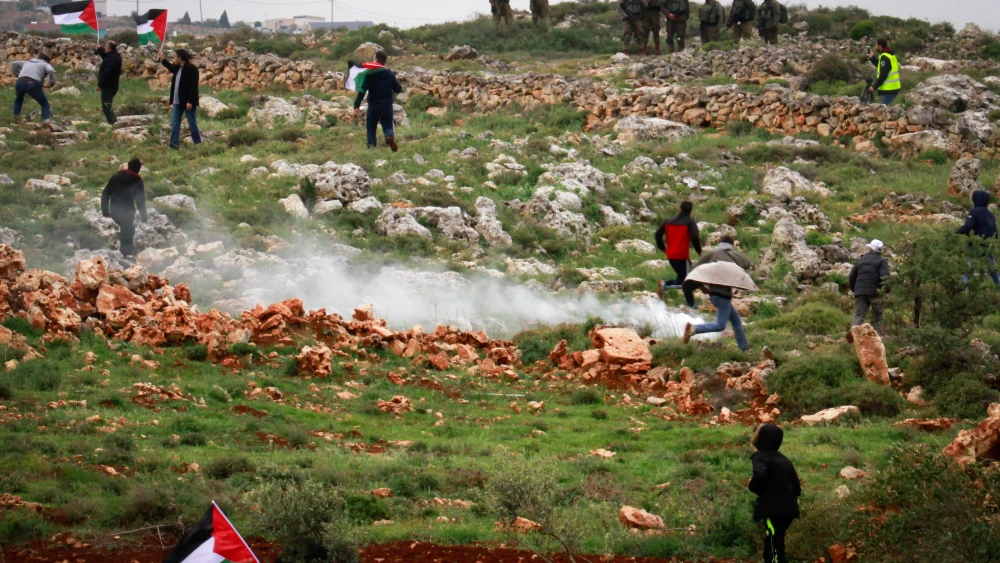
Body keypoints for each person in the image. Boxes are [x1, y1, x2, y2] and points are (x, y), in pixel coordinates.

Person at [682, 235, 753, 352]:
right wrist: (732, 254)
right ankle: (694, 329)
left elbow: (695, 273)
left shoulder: (710, 256)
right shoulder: (732, 256)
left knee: (736, 321)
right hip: (722, 296)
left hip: (715, 295)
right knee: (720, 325)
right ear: (732, 245)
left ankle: (744, 349)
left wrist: (703, 288)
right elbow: (746, 262)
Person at [748, 424, 801, 563]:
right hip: (789, 510)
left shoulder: (760, 457)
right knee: (777, 543)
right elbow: (797, 489)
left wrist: (753, 487)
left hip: (772, 509)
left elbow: (759, 475)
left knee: (772, 546)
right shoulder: (785, 460)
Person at [655, 201, 702, 307]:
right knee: (686, 282)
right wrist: (699, 251)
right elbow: (694, 238)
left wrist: (663, 248)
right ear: (690, 211)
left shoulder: (668, 221)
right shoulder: (690, 222)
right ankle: (691, 305)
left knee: (682, 276)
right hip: (682, 256)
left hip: (671, 255)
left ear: (680, 209)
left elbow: (658, 235)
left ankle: (666, 285)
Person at [353, 51, 403, 151]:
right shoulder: (389, 74)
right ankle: (389, 136)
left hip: (373, 106)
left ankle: (372, 149)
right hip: (387, 106)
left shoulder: (369, 74)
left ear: (375, 60)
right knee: (388, 126)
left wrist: (356, 105)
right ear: (384, 62)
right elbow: (398, 89)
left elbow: (362, 91)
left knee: (371, 128)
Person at [101, 158, 147, 259]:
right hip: (128, 212)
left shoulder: (116, 177)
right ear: (139, 169)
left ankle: (117, 254)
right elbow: (140, 201)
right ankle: (126, 255)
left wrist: (105, 211)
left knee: (121, 230)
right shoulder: (138, 181)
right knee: (128, 230)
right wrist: (144, 216)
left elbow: (105, 194)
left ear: (128, 166)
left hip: (114, 211)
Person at [160, 49, 201, 150]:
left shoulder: (192, 69)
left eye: (175, 57)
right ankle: (173, 145)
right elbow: (170, 67)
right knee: (175, 124)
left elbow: (193, 86)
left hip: (187, 102)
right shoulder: (177, 68)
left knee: (192, 124)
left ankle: (198, 143)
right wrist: (162, 59)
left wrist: (190, 101)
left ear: (180, 58)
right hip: (177, 101)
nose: (174, 59)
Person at [957, 190, 1000, 285]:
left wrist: (957, 232)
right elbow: (995, 231)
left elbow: (968, 226)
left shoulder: (974, 212)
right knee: (993, 271)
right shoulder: (991, 214)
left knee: (969, 269)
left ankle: (964, 289)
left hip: (974, 245)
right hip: (987, 246)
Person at [849, 239, 890, 331]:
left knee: (859, 315)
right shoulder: (881, 261)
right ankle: (875, 335)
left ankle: (852, 333)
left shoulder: (860, 261)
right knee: (877, 314)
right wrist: (887, 291)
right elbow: (885, 277)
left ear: (870, 248)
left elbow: (852, 277)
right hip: (875, 292)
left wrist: (855, 290)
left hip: (860, 292)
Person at [12, 54, 56, 122]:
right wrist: (52, 82)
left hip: (20, 82)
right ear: (47, 61)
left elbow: (14, 64)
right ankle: (45, 121)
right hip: (32, 84)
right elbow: (51, 70)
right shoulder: (45, 64)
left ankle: (16, 117)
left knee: (19, 99)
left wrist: (17, 75)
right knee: (45, 104)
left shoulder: (28, 62)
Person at [95, 40, 122, 125]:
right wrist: (99, 49)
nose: (105, 47)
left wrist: (100, 85)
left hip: (108, 86)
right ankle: (114, 122)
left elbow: (107, 73)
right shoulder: (114, 56)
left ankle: (112, 123)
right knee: (108, 105)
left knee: (106, 106)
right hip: (112, 86)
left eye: (106, 46)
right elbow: (106, 57)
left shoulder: (111, 59)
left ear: (109, 48)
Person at [867, 38, 901, 105]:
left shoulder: (885, 57)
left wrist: (874, 86)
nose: (875, 47)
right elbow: (881, 66)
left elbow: (883, 74)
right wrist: (872, 57)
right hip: (894, 87)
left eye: (876, 45)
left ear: (880, 46)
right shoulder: (888, 54)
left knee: (883, 110)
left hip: (890, 89)